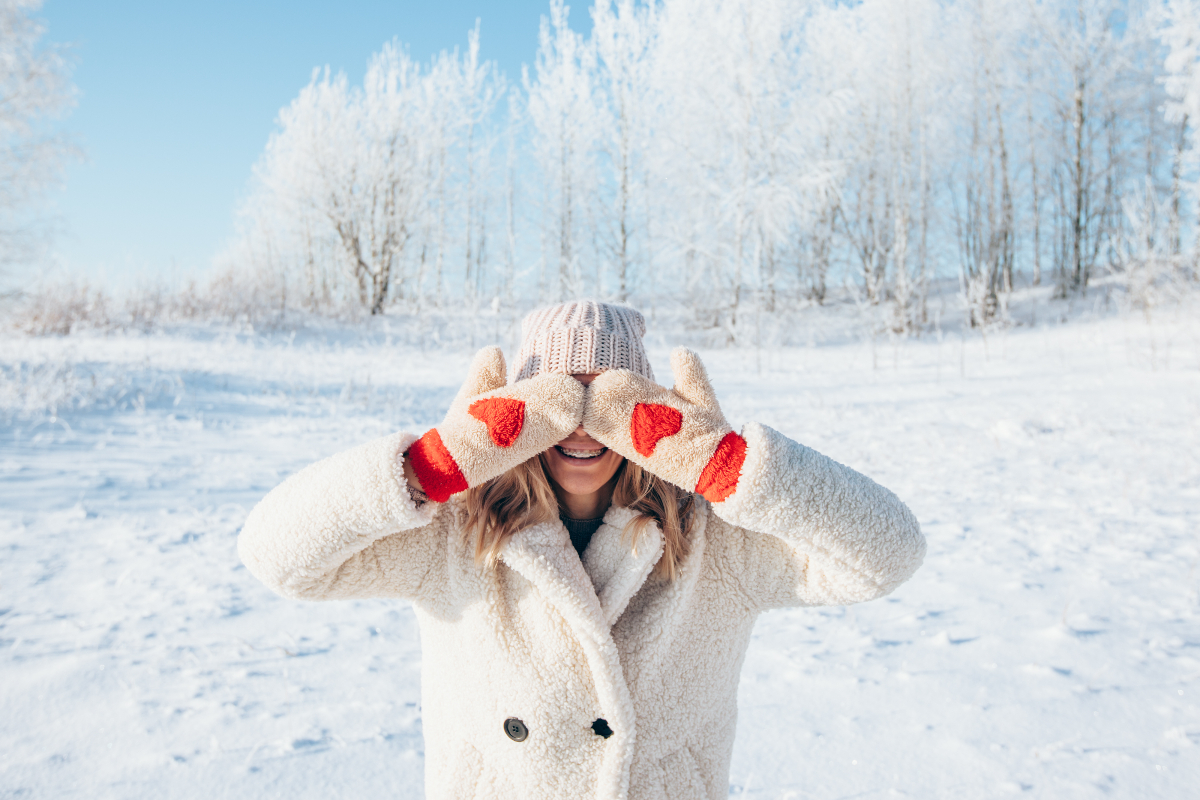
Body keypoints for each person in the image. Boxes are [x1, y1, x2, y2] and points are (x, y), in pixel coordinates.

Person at [239, 300, 925, 800]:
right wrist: (432, 465)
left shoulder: (713, 539)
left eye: (610, 398)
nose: (585, 423)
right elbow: (277, 556)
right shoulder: (452, 532)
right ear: (517, 409)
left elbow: (889, 553)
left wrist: (730, 467)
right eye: (561, 397)